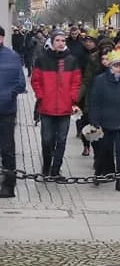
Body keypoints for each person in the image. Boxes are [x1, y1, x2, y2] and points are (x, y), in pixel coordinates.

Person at [87, 49, 120, 192]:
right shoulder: (100, 80)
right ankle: (98, 173)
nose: (118, 68)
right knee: (103, 151)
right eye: (115, 65)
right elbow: (94, 101)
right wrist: (94, 119)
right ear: (110, 65)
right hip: (105, 122)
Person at [31, 29, 82, 177]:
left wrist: (72, 98)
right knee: (47, 140)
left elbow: (76, 82)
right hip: (46, 107)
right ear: (52, 42)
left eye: (63, 41)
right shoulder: (42, 59)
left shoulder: (72, 60)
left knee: (61, 140)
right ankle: (46, 166)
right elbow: (36, 80)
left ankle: (55, 170)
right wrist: (41, 96)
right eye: (57, 40)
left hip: (64, 108)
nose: (60, 43)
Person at [0, 26, 26, 198]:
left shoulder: (12, 57)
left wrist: (9, 94)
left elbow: (21, 83)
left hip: (6, 110)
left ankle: (9, 184)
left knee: (7, 148)